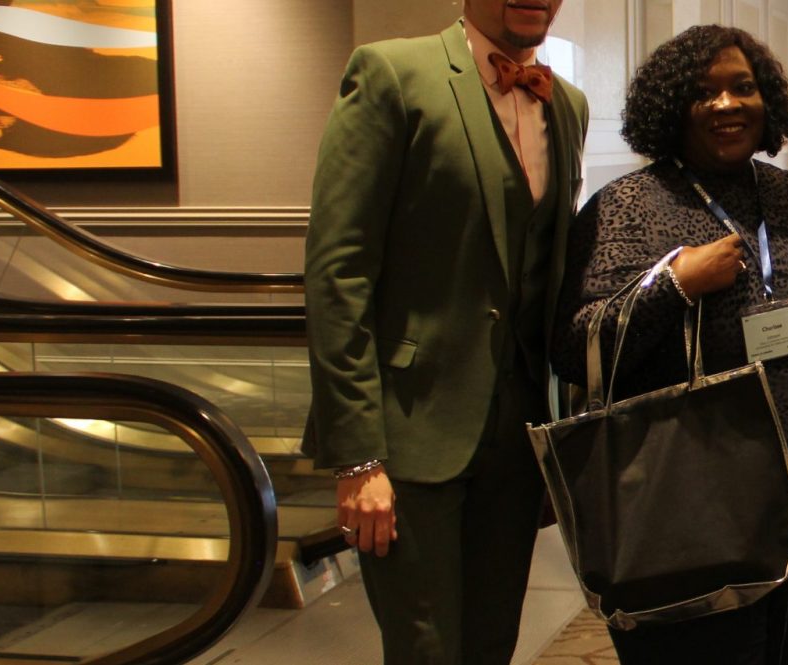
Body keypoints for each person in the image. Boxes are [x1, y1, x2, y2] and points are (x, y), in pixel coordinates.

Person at [550, 24, 788, 665]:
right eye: (702, 93)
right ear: (669, 109)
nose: (726, 104)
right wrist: (673, 285)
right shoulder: (628, 205)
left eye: (743, 87)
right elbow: (576, 348)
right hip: (694, 507)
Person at [300, 0, 588, 661]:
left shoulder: (567, 104)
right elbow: (338, 271)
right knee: (424, 646)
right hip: (409, 430)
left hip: (517, 435)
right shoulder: (392, 75)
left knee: (493, 640)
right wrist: (358, 458)